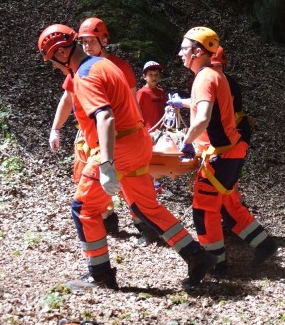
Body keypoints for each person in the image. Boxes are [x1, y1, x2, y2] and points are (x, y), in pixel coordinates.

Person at [37, 24, 216, 290]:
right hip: (136, 142)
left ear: (62, 52)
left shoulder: (85, 76)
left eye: (53, 61)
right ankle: (196, 255)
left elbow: (105, 117)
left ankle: (100, 275)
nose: (54, 67)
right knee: (146, 207)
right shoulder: (102, 64)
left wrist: (107, 163)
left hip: (117, 149)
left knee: (83, 208)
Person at [170, 26, 277, 274]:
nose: (179, 53)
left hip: (222, 155)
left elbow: (203, 117)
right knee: (227, 203)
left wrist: (186, 142)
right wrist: (181, 102)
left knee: (203, 209)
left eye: (184, 48)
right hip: (231, 151)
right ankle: (263, 243)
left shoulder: (205, 77)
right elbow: (206, 105)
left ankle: (216, 263)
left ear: (197, 51)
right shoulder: (214, 75)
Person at [48, 17, 138, 234]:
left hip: (120, 136)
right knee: (87, 183)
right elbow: (68, 99)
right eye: (84, 42)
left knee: (129, 183)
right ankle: (108, 221)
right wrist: (56, 128)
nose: (87, 46)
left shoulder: (117, 66)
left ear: (104, 40)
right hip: (91, 138)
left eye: (91, 41)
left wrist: (140, 129)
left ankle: (141, 224)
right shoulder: (78, 70)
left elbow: (132, 102)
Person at [137, 60, 166, 134]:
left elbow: (165, 110)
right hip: (147, 131)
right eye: (151, 75)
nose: (154, 77)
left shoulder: (161, 92)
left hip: (161, 130)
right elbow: (136, 113)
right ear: (144, 77)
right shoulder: (141, 93)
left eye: (156, 75)